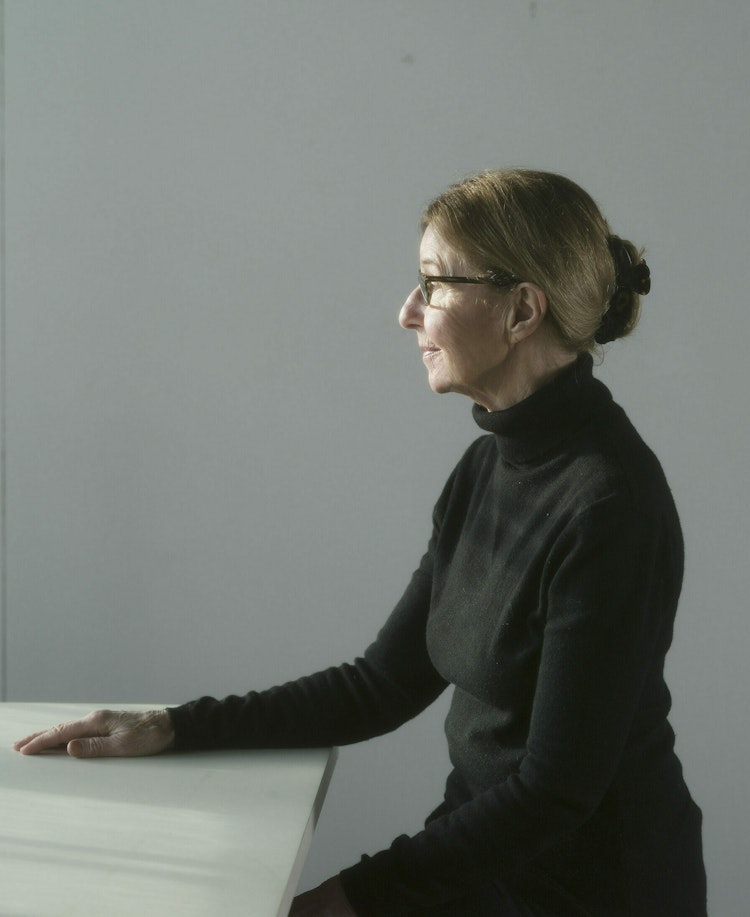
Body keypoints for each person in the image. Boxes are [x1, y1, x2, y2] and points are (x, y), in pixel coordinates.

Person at [13, 170, 707, 916]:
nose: (408, 312)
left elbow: (553, 793)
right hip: (489, 866)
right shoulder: (487, 468)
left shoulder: (609, 507)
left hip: (590, 892)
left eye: (435, 284)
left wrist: (355, 896)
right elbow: (382, 683)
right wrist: (173, 725)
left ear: (521, 311)